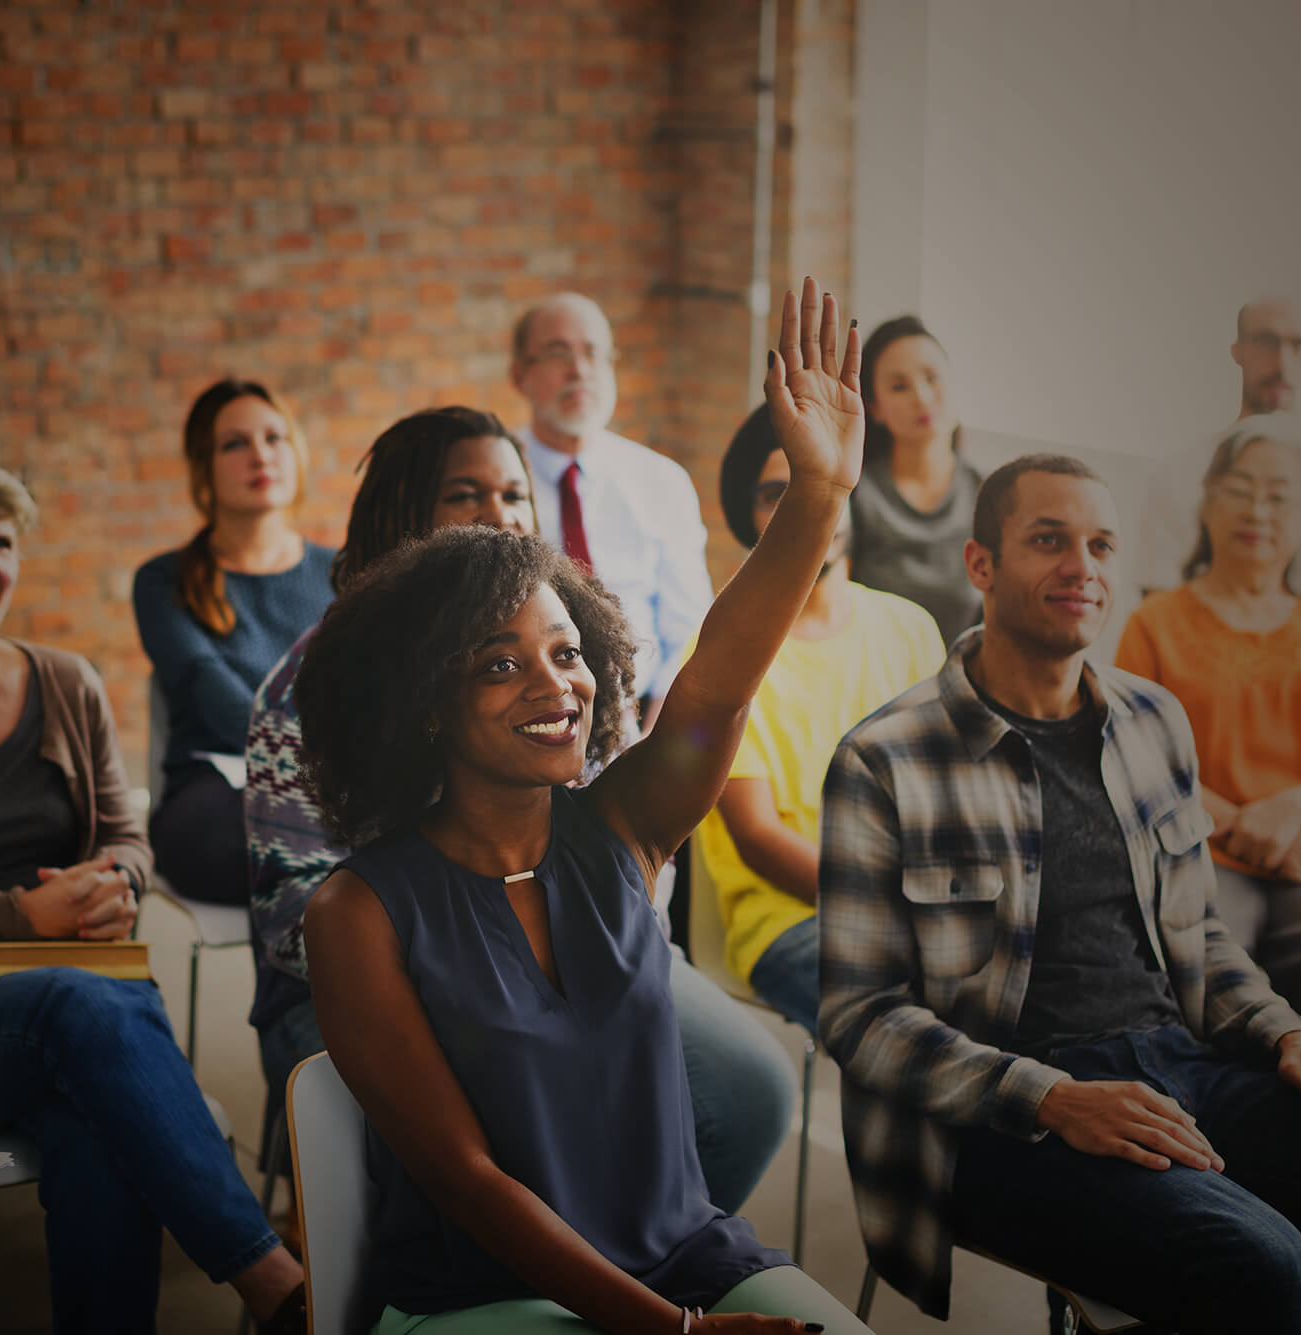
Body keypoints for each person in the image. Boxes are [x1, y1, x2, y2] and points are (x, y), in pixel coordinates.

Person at [818, 453, 1301, 1331]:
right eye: (1048, 540)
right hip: (1004, 1120)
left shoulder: (1152, 720)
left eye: (1100, 544)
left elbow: (1200, 935)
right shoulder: (884, 756)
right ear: (981, 565)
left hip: (1187, 1066)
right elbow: (860, 1017)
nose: (1080, 566)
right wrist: (1051, 1094)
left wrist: (1289, 1033)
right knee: (1268, 1271)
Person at [295, 281, 872, 1332]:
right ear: (427, 702)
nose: (554, 685)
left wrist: (818, 493)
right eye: (500, 664)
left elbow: (716, 686)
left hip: (688, 1254)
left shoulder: (619, 828)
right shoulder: (359, 913)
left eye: (567, 655)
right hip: (483, 1297)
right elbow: (467, 1184)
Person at [245, 406, 796, 1215]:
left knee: (747, 1093)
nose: (500, 514)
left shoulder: (560, 662)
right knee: (516, 1132)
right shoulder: (311, 690)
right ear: (400, 521)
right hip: (385, 977)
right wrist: (498, 985)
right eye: (467, 495)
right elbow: (298, 916)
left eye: (514, 494)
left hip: (571, 953)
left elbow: (639, 821)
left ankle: (627, 1253)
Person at [0, 455, 306, 1334]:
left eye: (2, 541)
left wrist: (116, 882)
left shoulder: (68, 681)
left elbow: (126, 835)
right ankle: (276, 1282)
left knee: (94, 1123)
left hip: (79, 997)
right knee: (83, 1008)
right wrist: (23, 914)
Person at [693, 403, 945, 1032]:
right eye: (776, 492)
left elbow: (951, 788)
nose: (801, 508)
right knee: (930, 1025)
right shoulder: (725, 656)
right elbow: (758, 839)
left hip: (922, 908)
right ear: (748, 515)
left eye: (814, 486)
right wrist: (895, 906)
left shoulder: (910, 628)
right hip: (791, 922)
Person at [1115, 420, 1301, 1025]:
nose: (1259, 509)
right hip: (1200, 848)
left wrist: (1291, 814)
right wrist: (1247, 824)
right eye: (1240, 488)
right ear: (1207, 501)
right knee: (1209, 965)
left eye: (1279, 495)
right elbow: (1132, 758)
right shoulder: (1155, 622)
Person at [134, 379, 334, 905]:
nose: (260, 455)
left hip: (331, 786)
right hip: (214, 796)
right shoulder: (163, 580)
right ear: (204, 467)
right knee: (300, 837)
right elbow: (208, 690)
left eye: (274, 437)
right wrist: (311, 766)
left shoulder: (343, 572)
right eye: (235, 443)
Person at [1134, 298, 1301, 612]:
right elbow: (1158, 622)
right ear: (1237, 351)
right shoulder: (1179, 473)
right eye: (1266, 342)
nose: (1282, 363)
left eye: (1298, 345)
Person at [509, 291, 713, 706]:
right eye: (556, 353)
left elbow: (692, 632)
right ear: (519, 376)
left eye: (593, 353)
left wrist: (659, 733)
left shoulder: (662, 481)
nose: (579, 370)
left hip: (641, 718)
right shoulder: (496, 479)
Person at [845, 315, 983, 645]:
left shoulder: (989, 496)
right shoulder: (855, 494)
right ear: (874, 408)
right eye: (899, 386)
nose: (921, 397)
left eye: (932, 378)